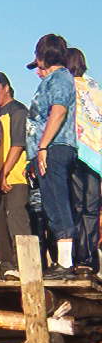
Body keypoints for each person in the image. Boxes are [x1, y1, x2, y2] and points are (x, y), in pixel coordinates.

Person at [26, 34, 77, 279]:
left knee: (57, 201)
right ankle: (62, 259)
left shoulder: (60, 77)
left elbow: (58, 111)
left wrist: (43, 146)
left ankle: (66, 262)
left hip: (55, 147)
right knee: (50, 201)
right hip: (47, 148)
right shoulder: (51, 79)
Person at [0, 71, 32, 280]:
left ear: (6, 87)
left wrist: (4, 173)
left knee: (16, 218)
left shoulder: (18, 111)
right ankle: (6, 265)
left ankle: (24, 263)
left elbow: (17, 145)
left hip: (14, 177)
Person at [67, 47, 102, 278]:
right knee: (88, 209)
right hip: (94, 155)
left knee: (80, 208)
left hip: (81, 153)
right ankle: (86, 260)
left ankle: (83, 259)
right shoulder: (95, 88)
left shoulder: (71, 87)